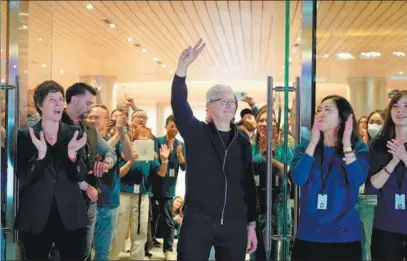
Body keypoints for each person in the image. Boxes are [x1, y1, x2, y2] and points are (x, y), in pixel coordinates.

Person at [171, 39, 257, 261]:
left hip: (234, 223)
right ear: (208, 106)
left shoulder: (242, 141)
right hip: (198, 221)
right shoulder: (196, 133)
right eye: (222, 101)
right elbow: (179, 105)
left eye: (232, 101)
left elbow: (248, 184)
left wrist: (251, 225)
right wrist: (182, 69)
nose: (230, 105)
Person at [15, 80, 88, 260]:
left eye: (60, 99)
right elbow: (24, 178)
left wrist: (73, 156)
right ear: (40, 104)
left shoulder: (74, 133)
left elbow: (80, 175)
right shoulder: (25, 136)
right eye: (51, 99)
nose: (58, 104)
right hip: (36, 216)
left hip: (70, 215)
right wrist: (39, 157)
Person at [290, 95, 370, 261]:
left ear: (342, 118)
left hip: (344, 235)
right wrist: (313, 143)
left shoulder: (358, 148)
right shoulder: (305, 147)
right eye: (319, 110)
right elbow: (298, 178)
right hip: (309, 234)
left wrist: (347, 145)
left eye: (328, 110)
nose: (321, 114)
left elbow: (357, 180)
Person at [61, 82, 118, 260]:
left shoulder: (89, 129)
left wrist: (106, 163)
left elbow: (110, 151)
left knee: (84, 252)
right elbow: (57, 167)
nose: (90, 108)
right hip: (65, 201)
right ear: (74, 100)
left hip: (89, 202)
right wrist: (85, 187)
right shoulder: (55, 125)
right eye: (88, 103)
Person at [368, 91, 407, 260]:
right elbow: (370, 187)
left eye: (406, 106)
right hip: (386, 225)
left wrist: (404, 157)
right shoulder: (379, 143)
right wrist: (393, 162)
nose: (400, 110)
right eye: (396, 106)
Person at [357, 110, 384, 261]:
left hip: (377, 200)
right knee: (363, 243)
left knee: (372, 244)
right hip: (361, 198)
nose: (373, 126)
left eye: (378, 122)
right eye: (371, 122)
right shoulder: (362, 146)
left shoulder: (385, 147)